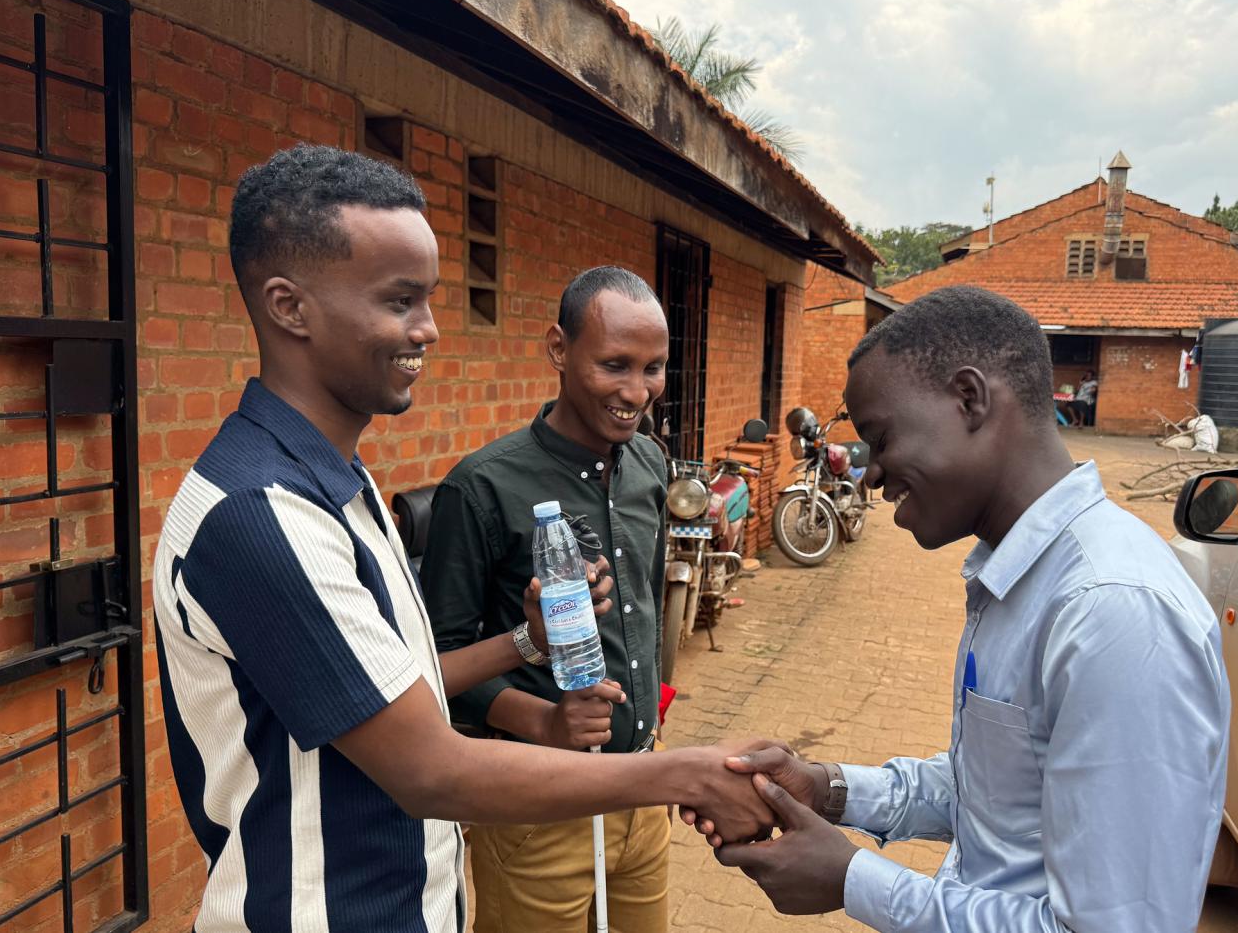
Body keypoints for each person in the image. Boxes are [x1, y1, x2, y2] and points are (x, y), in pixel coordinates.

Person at [151, 144, 773, 932]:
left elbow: (405, 683)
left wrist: (524, 639)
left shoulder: (340, 482)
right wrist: (681, 775)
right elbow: (431, 772)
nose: (431, 329)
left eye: (430, 299)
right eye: (399, 301)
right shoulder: (261, 515)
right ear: (290, 307)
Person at [688, 285, 1230, 933]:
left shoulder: (1112, 614)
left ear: (970, 399)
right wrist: (827, 788)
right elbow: (997, 793)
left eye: (882, 440)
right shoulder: (1020, 580)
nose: (871, 477)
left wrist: (853, 879)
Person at [424, 265, 674, 933]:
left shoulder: (651, 464)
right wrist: (542, 721)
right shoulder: (481, 488)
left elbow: (645, 604)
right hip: (537, 810)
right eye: (614, 364)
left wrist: (653, 720)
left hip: (643, 794)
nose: (635, 392)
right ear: (558, 349)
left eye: (653, 368)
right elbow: (432, 663)